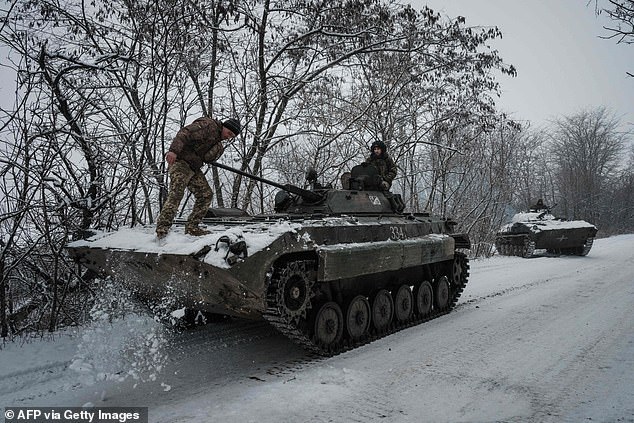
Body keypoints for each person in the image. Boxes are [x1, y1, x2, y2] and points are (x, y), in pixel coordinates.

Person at [155, 116, 241, 239]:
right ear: (224, 127)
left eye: (232, 136)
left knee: (206, 195)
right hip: (180, 161)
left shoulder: (217, 143)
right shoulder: (208, 126)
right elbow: (185, 132)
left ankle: (192, 227)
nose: (229, 137)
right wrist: (173, 151)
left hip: (193, 168)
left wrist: (216, 151)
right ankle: (162, 229)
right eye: (229, 133)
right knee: (177, 193)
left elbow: (206, 157)